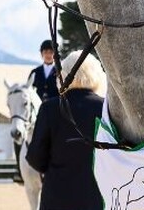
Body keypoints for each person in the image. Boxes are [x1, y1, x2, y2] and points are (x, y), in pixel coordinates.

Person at [26, 51, 107, 210]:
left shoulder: (49, 108)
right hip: (97, 198)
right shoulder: (106, 109)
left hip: (56, 199)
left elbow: (35, 158)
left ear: (62, 75)